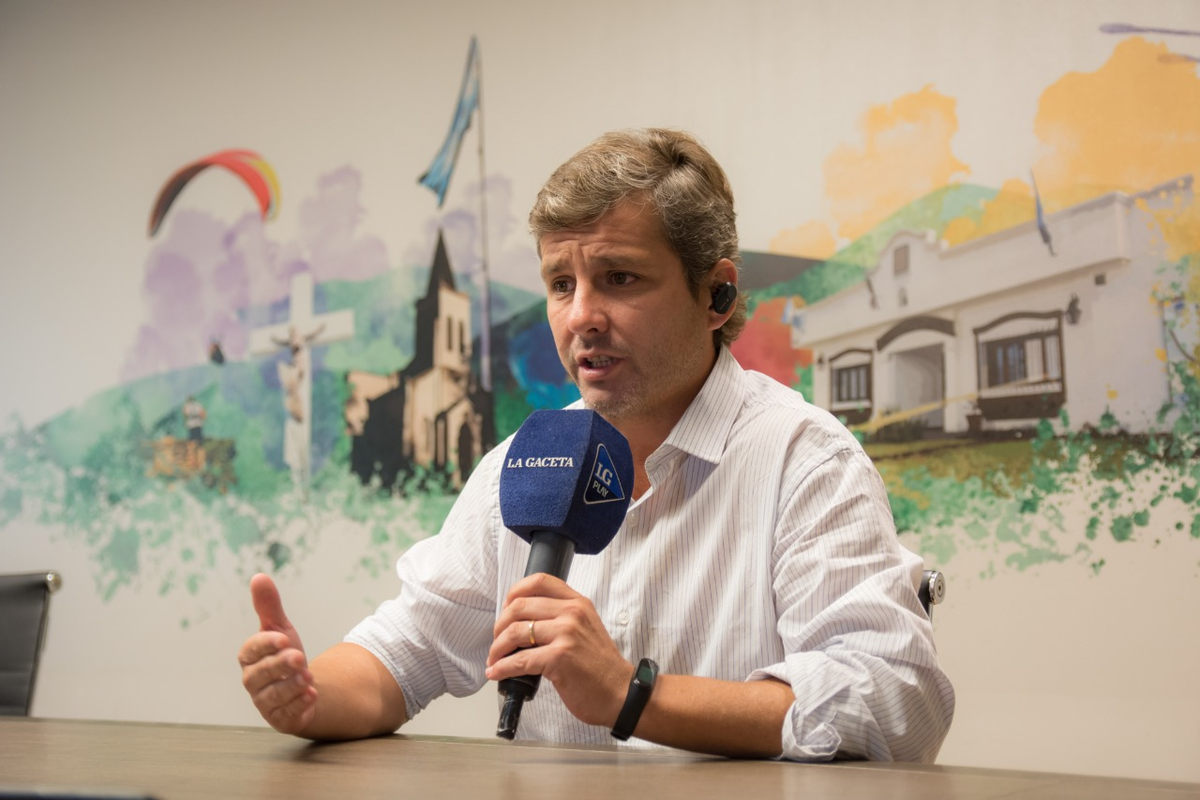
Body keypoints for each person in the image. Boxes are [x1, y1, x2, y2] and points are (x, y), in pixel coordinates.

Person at [238, 128, 954, 761]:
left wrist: (630, 694)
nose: (581, 316)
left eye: (619, 278)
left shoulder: (805, 460)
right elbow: (405, 650)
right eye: (560, 283)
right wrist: (309, 696)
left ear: (717, 295)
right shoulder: (522, 462)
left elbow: (896, 703)